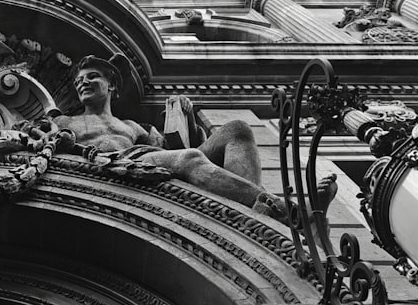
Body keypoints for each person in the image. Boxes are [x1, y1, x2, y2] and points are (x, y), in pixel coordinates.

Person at [54, 54, 285, 219]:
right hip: (111, 163)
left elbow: (174, 145)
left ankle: (254, 212)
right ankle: (271, 207)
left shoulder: (133, 126)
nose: (82, 82)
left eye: (91, 76)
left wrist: (186, 116)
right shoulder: (65, 122)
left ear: (111, 84)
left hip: (145, 156)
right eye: (78, 81)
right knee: (189, 159)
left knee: (238, 129)